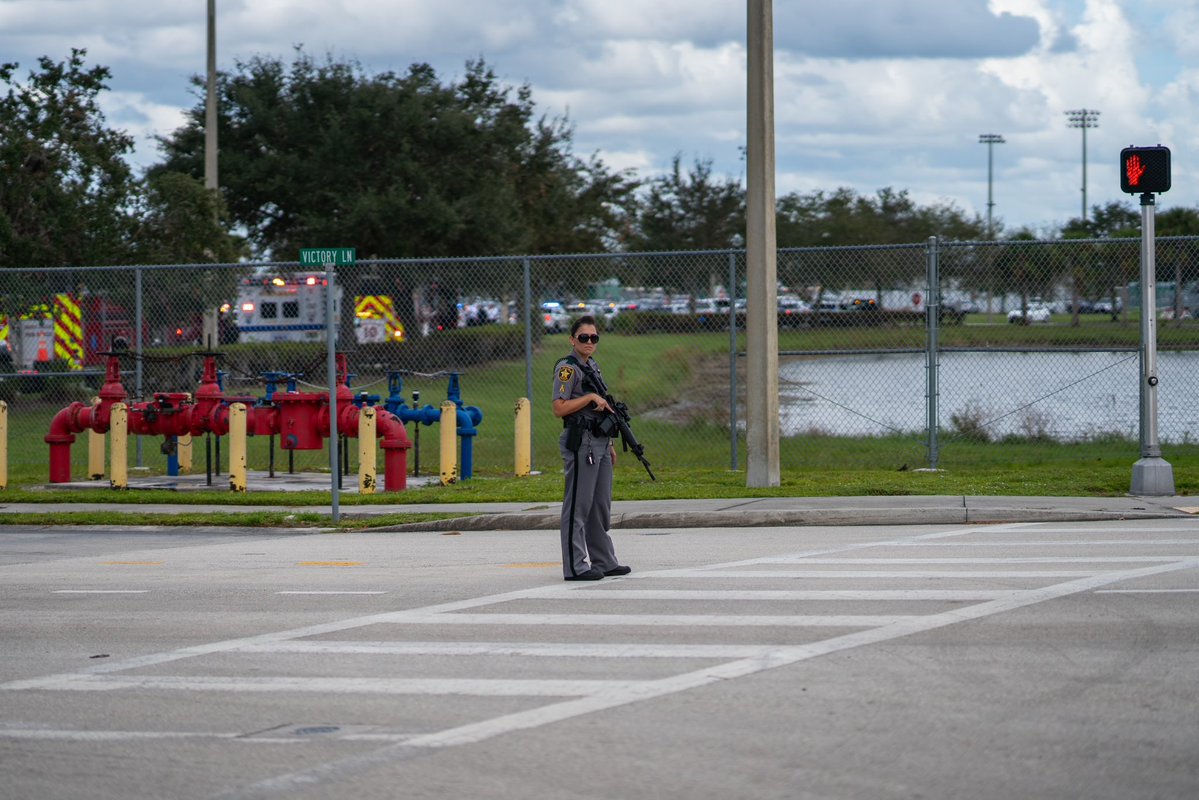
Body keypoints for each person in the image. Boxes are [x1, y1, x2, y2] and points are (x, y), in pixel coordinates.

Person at [552, 316, 631, 581]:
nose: (589, 342)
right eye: (583, 337)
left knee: (599, 505)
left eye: (593, 338)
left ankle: (604, 560)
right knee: (578, 505)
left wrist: (609, 443)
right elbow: (558, 407)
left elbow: (601, 407)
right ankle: (575, 566)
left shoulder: (593, 367)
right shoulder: (567, 369)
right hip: (580, 442)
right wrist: (588, 398)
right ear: (572, 340)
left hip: (599, 441)